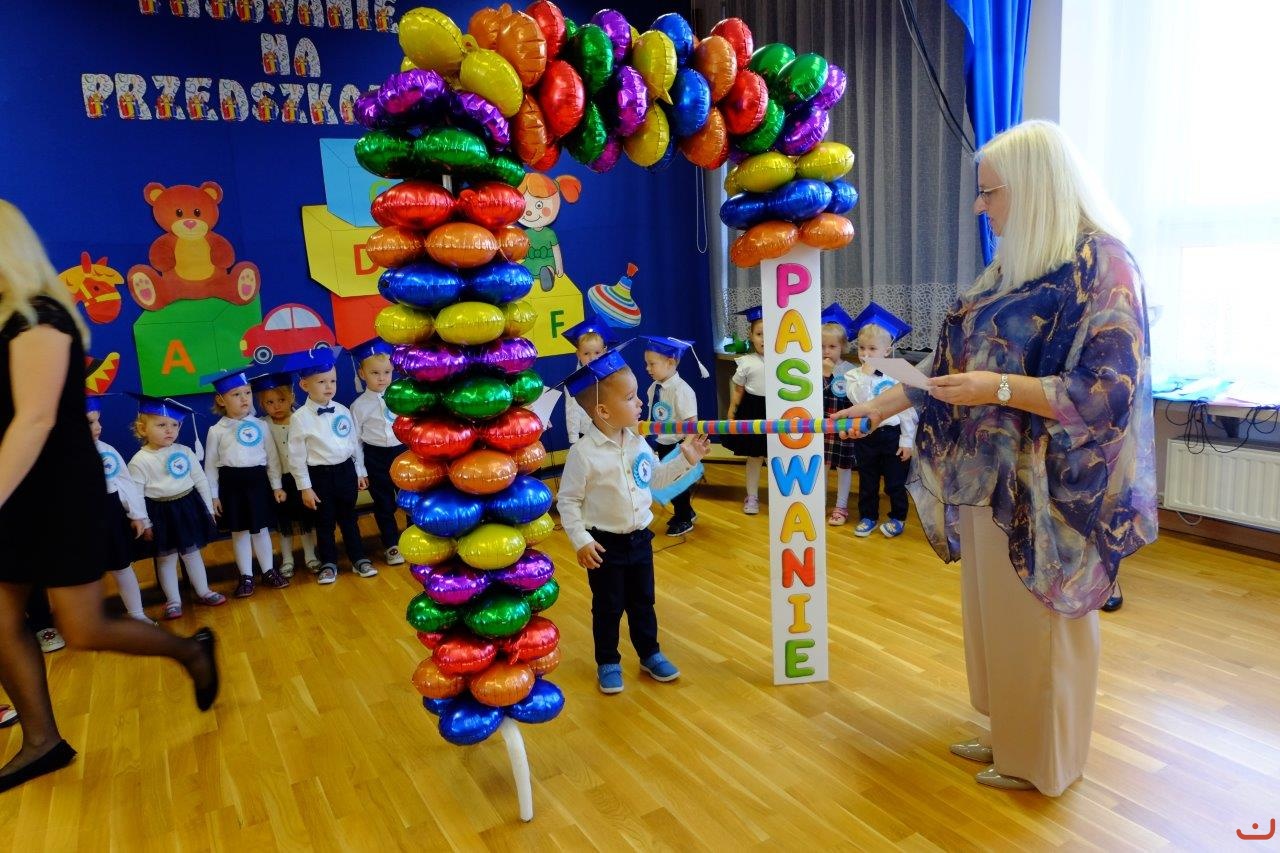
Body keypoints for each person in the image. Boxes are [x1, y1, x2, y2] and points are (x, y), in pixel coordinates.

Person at [835, 120, 1157, 796]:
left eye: (990, 192)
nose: (981, 207)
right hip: (987, 473)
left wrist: (998, 388)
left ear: (1033, 187)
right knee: (999, 619)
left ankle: (1043, 760)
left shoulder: (1104, 265)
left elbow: (1107, 390)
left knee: (1043, 623)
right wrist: (881, 405)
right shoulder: (1017, 262)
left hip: (1054, 485)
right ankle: (1013, 731)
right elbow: (952, 364)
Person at [0, 200, 216, 793]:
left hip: (54, 495)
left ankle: (190, 653)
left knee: (83, 628)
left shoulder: (40, 317)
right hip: (13, 489)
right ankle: (42, 741)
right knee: (1, 621)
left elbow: (35, 420)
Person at [555, 343, 711, 694]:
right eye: (630, 398)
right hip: (603, 546)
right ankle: (608, 661)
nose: (640, 403)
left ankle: (649, 653)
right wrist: (581, 540)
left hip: (640, 540)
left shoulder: (640, 442)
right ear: (603, 411)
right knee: (608, 607)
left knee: (643, 603)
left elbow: (656, 480)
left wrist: (686, 458)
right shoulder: (583, 454)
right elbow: (568, 501)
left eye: (637, 395)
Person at [127, 394, 225, 619]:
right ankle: (173, 600)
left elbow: (200, 480)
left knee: (192, 553)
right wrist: (145, 522)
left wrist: (209, 509)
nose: (169, 430)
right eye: (161, 425)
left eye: (174, 425)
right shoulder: (139, 461)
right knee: (166, 558)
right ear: (142, 429)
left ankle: (204, 590)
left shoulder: (184, 452)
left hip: (187, 508)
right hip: (160, 513)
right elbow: (136, 495)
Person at [285, 348, 373, 585]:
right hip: (319, 476)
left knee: (349, 519)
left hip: (345, 472)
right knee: (324, 523)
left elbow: (354, 444)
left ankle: (358, 558)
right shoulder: (300, 418)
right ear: (304, 385)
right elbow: (296, 456)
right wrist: (305, 487)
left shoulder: (342, 410)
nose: (329, 386)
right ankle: (329, 563)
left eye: (332, 381)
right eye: (321, 382)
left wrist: (360, 472)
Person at [202, 368, 288, 597]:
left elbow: (272, 458)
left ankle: (269, 570)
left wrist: (277, 486)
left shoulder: (261, 425)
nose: (244, 399)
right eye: (236, 395)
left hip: (258, 484)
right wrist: (213, 495)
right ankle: (246, 576)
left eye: (247, 393)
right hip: (232, 487)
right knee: (239, 532)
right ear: (221, 400)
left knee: (261, 530)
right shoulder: (216, 431)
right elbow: (210, 466)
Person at [844, 308, 917, 539]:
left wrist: (907, 441)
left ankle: (898, 517)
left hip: (893, 435)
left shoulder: (898, 375)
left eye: (872, 349)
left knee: (895, 481)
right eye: (861, 348)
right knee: (867, 479)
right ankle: (868, 516)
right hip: (866, 436)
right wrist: (866, 375)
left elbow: (907, 411)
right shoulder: (853, 376)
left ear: (887, 351)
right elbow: (859, 401)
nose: (866, 354)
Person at [87, 395, 154, 622]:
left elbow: (125, 484)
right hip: (81, 521)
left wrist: (137, 515)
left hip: (109, 515)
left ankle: (137, 614)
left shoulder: (106, 452)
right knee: (86, 575)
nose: (98, 427)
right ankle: (89, 621)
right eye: (90, 422)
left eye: (98, 420)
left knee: (122, 567)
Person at [640, 335, 709, 537]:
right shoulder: (653, 388)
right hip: (661, 443)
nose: (647, 368)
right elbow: (653, 415)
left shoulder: (682, 391)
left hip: (679, 444)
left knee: (678, 484)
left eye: (652, 364)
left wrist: (686, 447)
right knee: (668, 480)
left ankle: (683, 518)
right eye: (647, 364)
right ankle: (686, 512)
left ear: (670, 363)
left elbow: (692, 423)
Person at [348, 338, 405, 567]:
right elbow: (356, 442)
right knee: (384, 504)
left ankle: (415, 539)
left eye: (387, 372)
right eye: (375, 373)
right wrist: (361, 470)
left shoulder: (400, 398)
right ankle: (392, 545)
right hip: (375, 458)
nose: (382, 378)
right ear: (362, 374)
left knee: (410, 499)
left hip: (402, 454)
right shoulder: (358, 406)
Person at [254, 372, 317, 577]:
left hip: (302, 479)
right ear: (262, 404)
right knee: (285, 523)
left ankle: (310, 556)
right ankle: (287, 559)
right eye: (270, 402)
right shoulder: (263, 425)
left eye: (281, 400)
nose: (277, 406)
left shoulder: (301, 419)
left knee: (306, 520)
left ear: (292, 397)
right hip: (278, 481)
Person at [720, 306, 768, 514]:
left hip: (776, 413)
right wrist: (731, 412)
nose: (764, 339)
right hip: (752, 411)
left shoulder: (784, 362)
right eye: (759, 334)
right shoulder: (746, 362)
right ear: (751, 335)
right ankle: (752, 496)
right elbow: (738, 390)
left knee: (776, 456)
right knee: (754, 457)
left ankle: (781, 496)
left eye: (769, 334)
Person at [818, 305, 859, 526]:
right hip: (821, 426)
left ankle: (841, 506)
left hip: (843, 427)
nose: (827, 351)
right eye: (822, 346)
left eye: (832, 346)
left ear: (843, 346)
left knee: (844, 467)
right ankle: (820, 503)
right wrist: (823, 375)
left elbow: (853, 399)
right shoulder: (812, 369)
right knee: (822, 465)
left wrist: (831, 375)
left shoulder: (851, 370)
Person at [561, 315, 617, 446]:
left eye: (597, 353)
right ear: (578, 354)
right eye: (586, 354)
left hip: (611, 431)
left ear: (604, 351)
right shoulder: (575, 381)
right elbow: (572, 411)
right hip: (587, 435)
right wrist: (574, 439)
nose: (592, 358)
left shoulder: (613, 375)